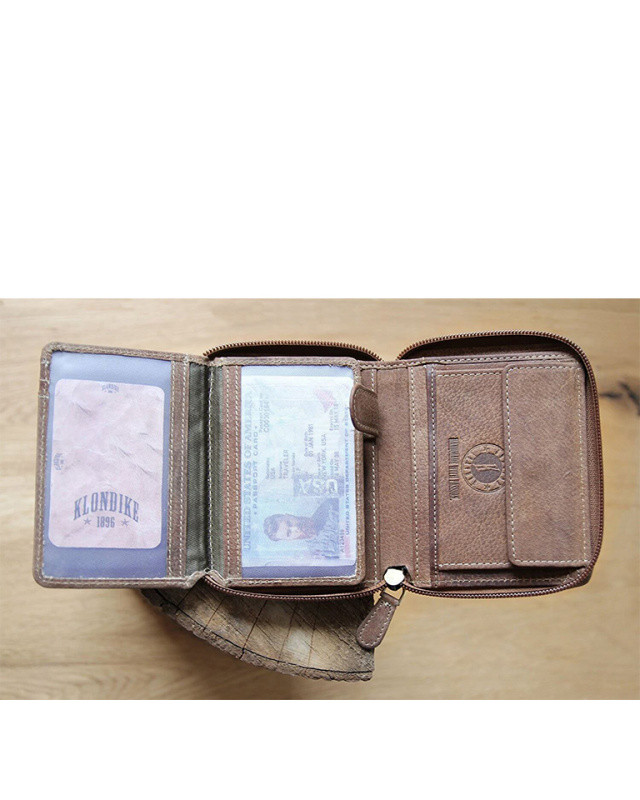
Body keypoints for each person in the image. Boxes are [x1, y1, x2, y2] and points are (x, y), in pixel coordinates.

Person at [263, 498, 341, 557]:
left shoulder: (330, 507)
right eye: (289, 533)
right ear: (289, 540)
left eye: (289, 523)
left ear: (289, 515)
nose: (295, 528)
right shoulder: (317, 553)